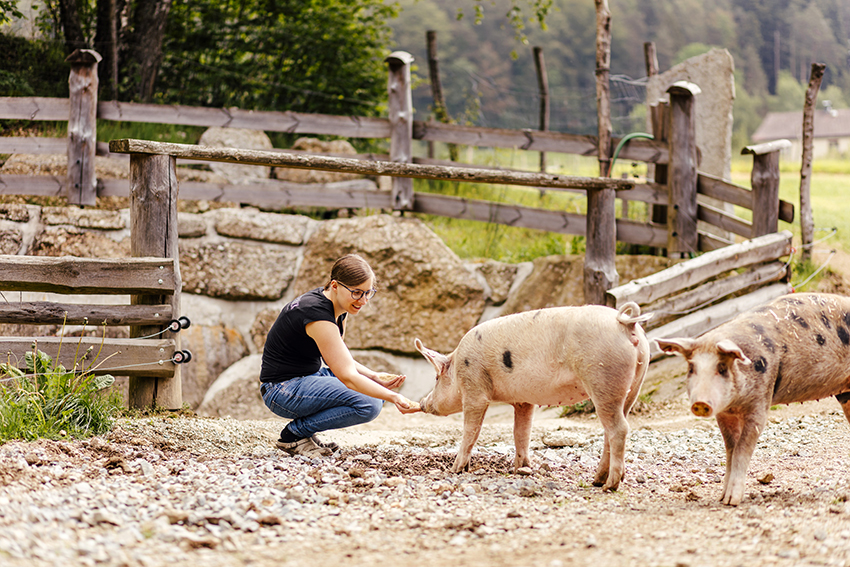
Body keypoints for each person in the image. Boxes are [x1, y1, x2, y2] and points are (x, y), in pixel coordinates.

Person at [259, 253, 419, 457]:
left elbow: (338, 356)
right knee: (369, 404)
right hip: (281, 390)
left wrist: (373, 376)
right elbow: (347, 377)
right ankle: (294, 435)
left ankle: (304, 433)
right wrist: (396, 397)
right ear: (334, 285)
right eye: (357, 293)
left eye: (369, 293)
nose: (363, 301)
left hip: (306, 378)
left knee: (373, 390)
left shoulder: (336, 306)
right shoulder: (318, 315)